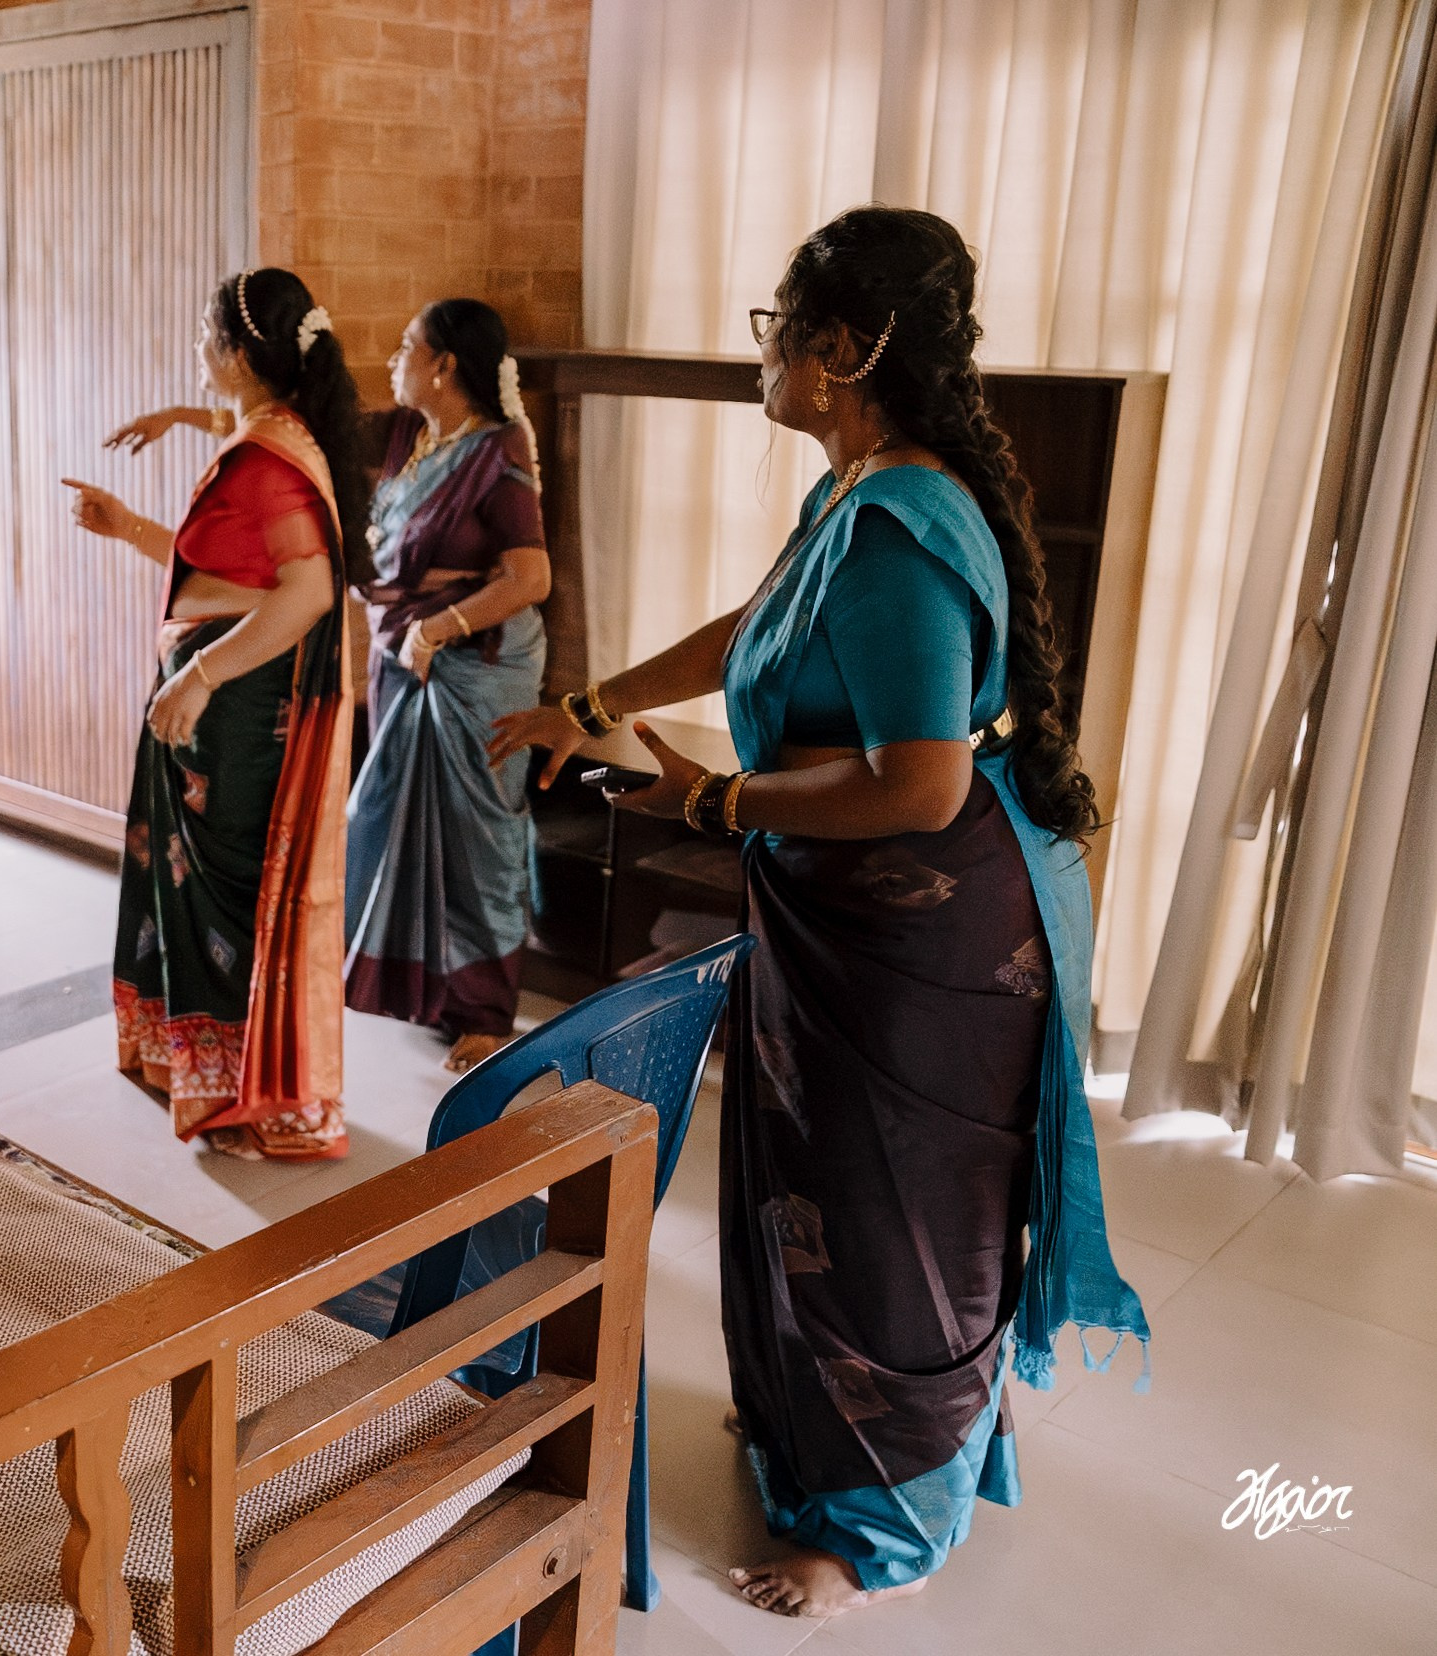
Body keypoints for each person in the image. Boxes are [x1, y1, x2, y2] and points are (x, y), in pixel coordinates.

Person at [490, 205, 1147, 1617]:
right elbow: (754, 625)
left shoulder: (903, 529)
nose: (763, 359)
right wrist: (597, 704)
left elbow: (914, 787)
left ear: (841, 351)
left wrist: (720, 804)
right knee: (824, 1196)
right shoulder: (853, 499)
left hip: (916, 941)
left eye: (772, 332)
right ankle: (829, 1435)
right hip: (853, 920)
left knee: (885, 1209)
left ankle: (873, 1534)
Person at [66, 267, 367, 1160]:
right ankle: (220, 1079)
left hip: (235, 714)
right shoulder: (276, 435)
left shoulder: (267, 459)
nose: (198, 355)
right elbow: (230, 580)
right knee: (208, 894)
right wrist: (127, 527)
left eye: (206, 341)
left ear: (237, 355)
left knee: (232, 900)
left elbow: (305, 591)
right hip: (226, 704)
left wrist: (197, 680)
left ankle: (250, 1097)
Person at [342, 299, 552, 1072]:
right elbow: (303, 428)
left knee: (475, 838)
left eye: (407, 346)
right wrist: (187, 416)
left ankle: (486, 1014)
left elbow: (530, 578)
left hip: (472, 668)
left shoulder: (500, 454)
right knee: (389, 819)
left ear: (443, 367)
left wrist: (435, 629)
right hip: (404, 661)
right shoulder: (406, 434)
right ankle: (428, 986)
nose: (394, 358)